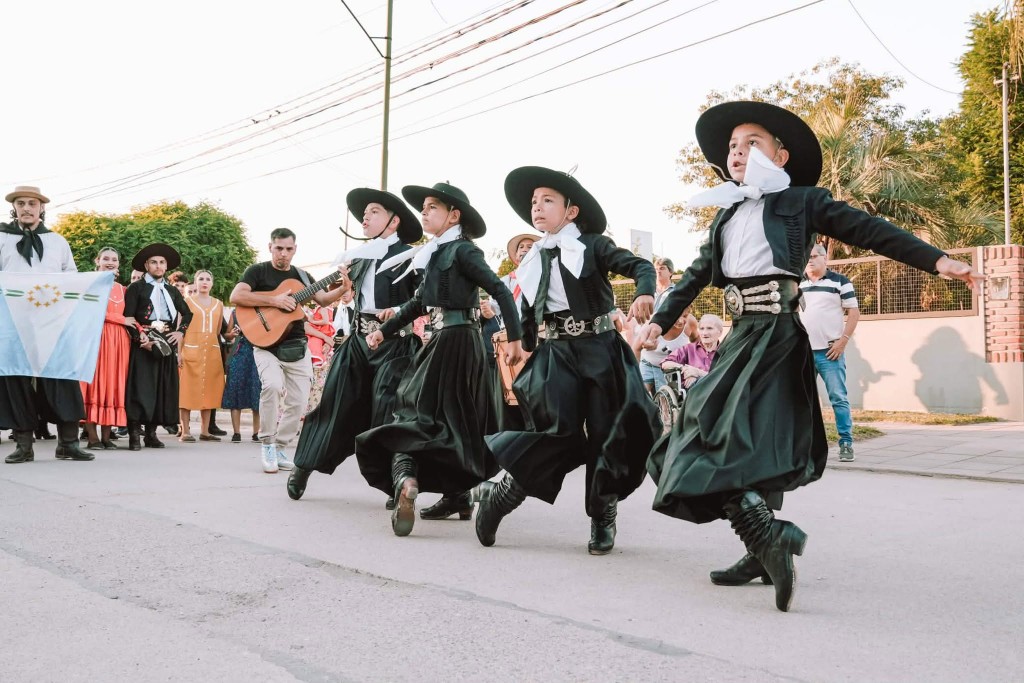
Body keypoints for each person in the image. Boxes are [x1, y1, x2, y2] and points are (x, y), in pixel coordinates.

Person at [640, 101, 983, 612]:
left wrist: (938, 261)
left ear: (780, 155)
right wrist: (656, 322)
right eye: (732, 146)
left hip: (776, 338)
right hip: (739, 339)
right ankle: (761, 548)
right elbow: (693, 277)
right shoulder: (728, 213)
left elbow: (870, 230)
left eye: (751, 142)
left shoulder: (801, 201)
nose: (738, 152)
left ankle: (770, 539)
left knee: (713, 435)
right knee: (713, 437)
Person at [474, 167, 661, 555]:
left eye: (547, 201)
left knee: (611, 434)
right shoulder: (534, 255)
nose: (537, 208)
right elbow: (528, 306)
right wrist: (519, 342)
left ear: (571, 211)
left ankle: (602, 517)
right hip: (556, 354)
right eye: (533, 203)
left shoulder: (592, 245)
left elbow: (641, 266)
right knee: (556, 433)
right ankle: (504, 495)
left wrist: (644, 292)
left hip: (602, 349)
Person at [355, 182, 524, 537]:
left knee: (412, 410)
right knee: (456, 422)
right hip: (452, 341)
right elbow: (418, 304)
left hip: (454, 340)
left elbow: (499, 290)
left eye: (433, 207)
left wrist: (517, 339)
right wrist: (382, 332)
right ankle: (458, 497)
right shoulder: (435, 252)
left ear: (454, 215)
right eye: (424, 206)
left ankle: (407, 478)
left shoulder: (464, 252)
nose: (424, 212)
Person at [287, 188, 424, 503]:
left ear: (393, 222)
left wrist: (402, 310)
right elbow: (326, 293)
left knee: (391, 412)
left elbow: (426, 297)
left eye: (374, 211)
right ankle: (303, 465)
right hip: (358, 341)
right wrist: (299, 296)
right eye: (364, 212)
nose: (365, 216)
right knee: (333, 402)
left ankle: (396, 485)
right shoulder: (356, 257)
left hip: (395, 344)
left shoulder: (413, 256)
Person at [230, 228, 346, 474]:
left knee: (300, 401)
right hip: (264, 344)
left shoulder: (301, 276)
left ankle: (281, 446)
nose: (283, 254)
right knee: (271, 387)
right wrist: (274, 301)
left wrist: (344, 287)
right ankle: (268, 443)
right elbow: (236, 296)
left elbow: (324, 300)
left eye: (289, 249)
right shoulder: (257, 271)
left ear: (295, 249)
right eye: (279, 248)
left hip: (296, 345)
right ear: (270, 247)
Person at [0, 185, 94, 463]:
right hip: (13, 323)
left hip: (53, 323)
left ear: (42, 208)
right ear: (14, 208)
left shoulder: (57, 241)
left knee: (61, 376)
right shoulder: (2, 238)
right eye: (20, 203)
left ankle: (67, 442)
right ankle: (24, 445)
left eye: (32, 203)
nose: (26, 208)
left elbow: (72, 278)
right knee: (15, 379)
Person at [123, 243, 192, 450]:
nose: (158, 265)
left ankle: (151, 434)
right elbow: (128, 317)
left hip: (166, 342)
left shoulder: (172, 290)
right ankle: (134, 433)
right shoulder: (136, 288)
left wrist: (180, 332)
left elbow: (188, 313)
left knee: (162, 388)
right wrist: (140, 339)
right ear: (146, 265)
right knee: (141, 388)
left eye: (162, 262)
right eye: (154, 262)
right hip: (143, 340)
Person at [801, 244, 860, 462]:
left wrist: (842, 341)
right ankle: (805, 446)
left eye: (815, 256)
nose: (810, 260)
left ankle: (845, 442)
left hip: (830, 353)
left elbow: (854, 312)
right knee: (802, 400)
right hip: (804, 354)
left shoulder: (840, 282)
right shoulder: (798, 284)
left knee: (838, 398)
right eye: (807, 257)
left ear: (825, 259)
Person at [80, 246, 131, 449]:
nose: (110, 262)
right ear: (97, 261)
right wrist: (121, 319)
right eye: (106, 259)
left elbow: (132, 318)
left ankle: (107, 437)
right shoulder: (89, 285)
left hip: (119, 343)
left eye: (114, 259)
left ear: (119, 264)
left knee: (113, 384)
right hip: (96, 339)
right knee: (95, 385)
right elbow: (89, 312)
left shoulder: (123, 289)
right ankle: (92, 437)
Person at [178, 270, 232, 442]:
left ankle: (205, 431)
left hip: (212, 352)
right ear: (195, 281)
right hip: (191, 348)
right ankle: (185, 431)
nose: (204, 282)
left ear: (212, 283)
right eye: (201, 279)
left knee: (210, 390)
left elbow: (217, 330)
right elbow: (180, 330)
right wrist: (179, 353)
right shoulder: (186, 302)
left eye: (208, 279)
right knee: (186, 390)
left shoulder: (218, 304)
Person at [631, 306, 697, 395]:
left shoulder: (690, 322)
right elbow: (636, 348)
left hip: (671, 368)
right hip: (648, 364)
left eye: (685, 316)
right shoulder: (654, 322)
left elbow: (696, 340)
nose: (681, 320)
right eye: (677, 316)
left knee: (666, 401)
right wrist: (635, 374)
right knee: (640, 395)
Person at [222, 309, 261, 443]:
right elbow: (227, 335)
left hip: (257, 353)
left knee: (257, 392)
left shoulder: (261, 310)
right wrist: (232, 334)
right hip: (238, 354)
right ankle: (236, 433)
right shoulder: (235, 312)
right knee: (235, 390)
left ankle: (257, 432)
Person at [660, 313, 724, 390]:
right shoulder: (689, 349)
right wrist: (686, 369)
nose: (704, 333)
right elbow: (665, 364)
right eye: (701, 328)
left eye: (709, 328)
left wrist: (697, 373)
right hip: (691, 393)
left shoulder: (725, 352)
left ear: (720, 332)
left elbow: (724, 378)